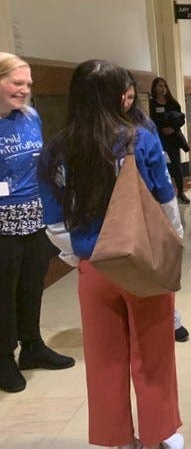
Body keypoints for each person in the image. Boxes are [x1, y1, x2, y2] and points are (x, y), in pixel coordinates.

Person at [38, 59, 183, 449]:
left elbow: (53, 221)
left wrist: (80, 257)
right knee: (152, 355)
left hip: (92, 269)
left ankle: (118, 438)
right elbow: (165, 199)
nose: (127, 96)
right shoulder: (139, 138)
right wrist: (174, 242)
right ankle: (159, 435)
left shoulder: (56, 149)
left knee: (104, 360)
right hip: (140, 263)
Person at [0, 52, 75, 394]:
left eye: (28, 83)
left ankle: (32, 346)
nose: (25, 89)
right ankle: (3, 358)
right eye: (17, 83)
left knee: (32, 284)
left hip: (34, 213)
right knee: (4, 292)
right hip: (2, 220)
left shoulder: (30, 116)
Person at [125, 74, 190, 344]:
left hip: (146, 207)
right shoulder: (86, 134)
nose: (125, 102)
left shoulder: (142, 129)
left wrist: (173, 223)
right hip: (112, 217)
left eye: (130, 96)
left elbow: (161, 180)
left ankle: (169, 317)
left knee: (155, 267)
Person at [149, 77, 191, 205]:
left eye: (164, 86)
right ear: (154, 88)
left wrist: (173, 128)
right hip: (159, 139)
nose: (162, 88)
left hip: (172, 139)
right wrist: (161, 128)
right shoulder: (152, 104)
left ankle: (180, 192)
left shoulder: (172, 103)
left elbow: (180, 119)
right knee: (162, 165)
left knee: (176, 165)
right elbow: (150, 120)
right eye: (159, 86)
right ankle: (164, 193)